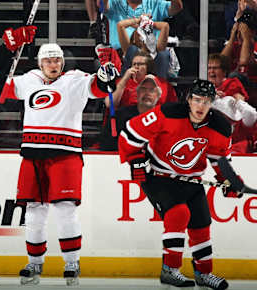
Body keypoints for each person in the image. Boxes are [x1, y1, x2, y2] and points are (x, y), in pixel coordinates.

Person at [0, 26, 115, 286]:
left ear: (63, 62)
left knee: (65, 210)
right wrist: (9, 49)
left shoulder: (74, 79)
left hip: (66, 154)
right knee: (33, 212)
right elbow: (2, 88)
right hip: (32, 154)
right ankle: (34, 263)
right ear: (40, 63)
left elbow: (98, 86)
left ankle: (72, 263)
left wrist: (107, 71)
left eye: (57, 60)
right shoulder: (28, 78)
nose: (53, 64)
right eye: (48, 60)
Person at [118, 79, 245, 290]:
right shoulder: (168, 112)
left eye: (206, 101)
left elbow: (220, 160)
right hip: (159, 177)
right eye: (196, 100)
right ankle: (170, 269)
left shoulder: (220, 127)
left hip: (192, 180)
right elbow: (130, 132)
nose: (200, 106)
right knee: (178, 213)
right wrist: (134, 160)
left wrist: (230, 180)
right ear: (189, 100)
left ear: (212, 102)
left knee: (201, 225)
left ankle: (204, 274)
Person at [99, 74, 160, 151]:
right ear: (137, 93)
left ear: (158, 95)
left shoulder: (166, 119)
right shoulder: (119, 116)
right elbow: (107, 145)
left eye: (151, 90)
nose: (147, 93)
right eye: (143, 89)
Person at [97, 0, 183, 50]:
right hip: (121, 53)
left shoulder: (154, 2)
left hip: (151, 53)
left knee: (163, 56)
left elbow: (177, 8)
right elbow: (101, 6)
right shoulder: (114, 2)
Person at [110, 51, 176, 108]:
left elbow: (168, 105)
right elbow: (111, 104)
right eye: (134, 64)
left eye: (140, 64)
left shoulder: (161, 83)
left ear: (148, 67)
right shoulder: (122, 82)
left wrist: (155, 82)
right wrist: (124, 79)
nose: (136, 67)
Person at [117, 14, 171, 79]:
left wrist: (148, 23)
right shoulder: (130, 50)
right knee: (132, 49)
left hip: (153, 83)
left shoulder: (158, 49)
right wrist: (138, 20)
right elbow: (120, 25)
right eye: (140, 33)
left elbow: (165, 26)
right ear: (134, 38)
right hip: (132, 84)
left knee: (164, 54)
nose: (142, 36)